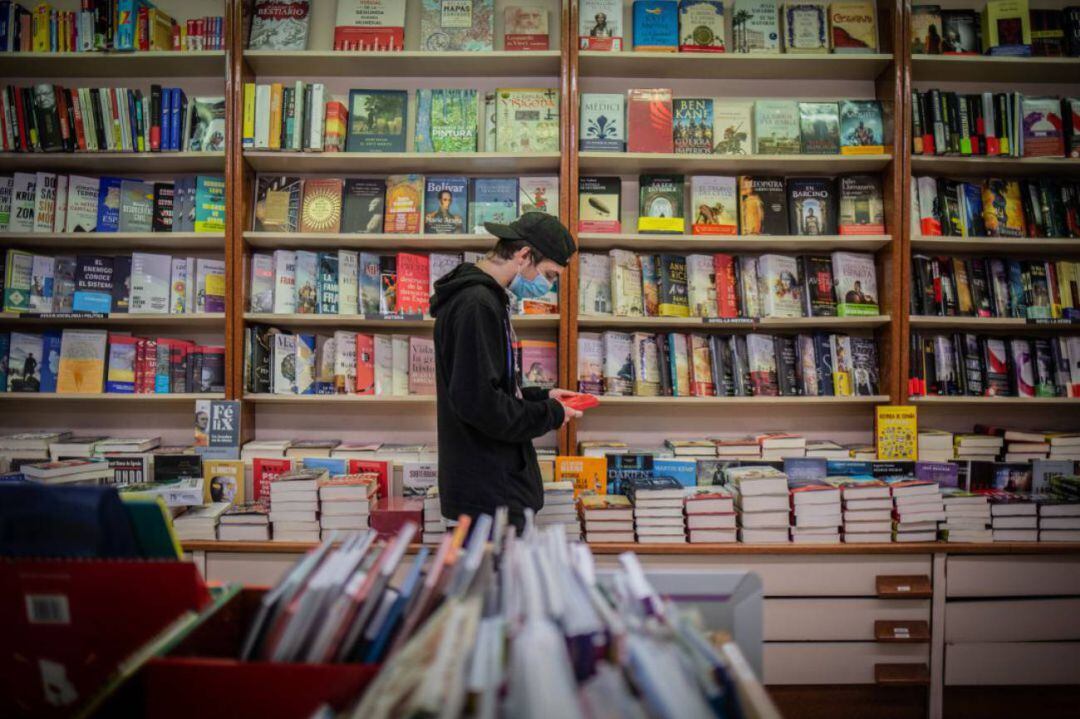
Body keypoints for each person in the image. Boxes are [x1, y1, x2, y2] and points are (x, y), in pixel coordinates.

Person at [430, 213, 583, 531]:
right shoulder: (477, 305)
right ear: (524, 255)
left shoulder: (485, 301)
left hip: (491, 489)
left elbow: (490, 386)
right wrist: (549, 414)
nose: (549, 286)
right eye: (550, 275)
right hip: (488, 496)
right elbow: (482, 404)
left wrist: (543, 396)